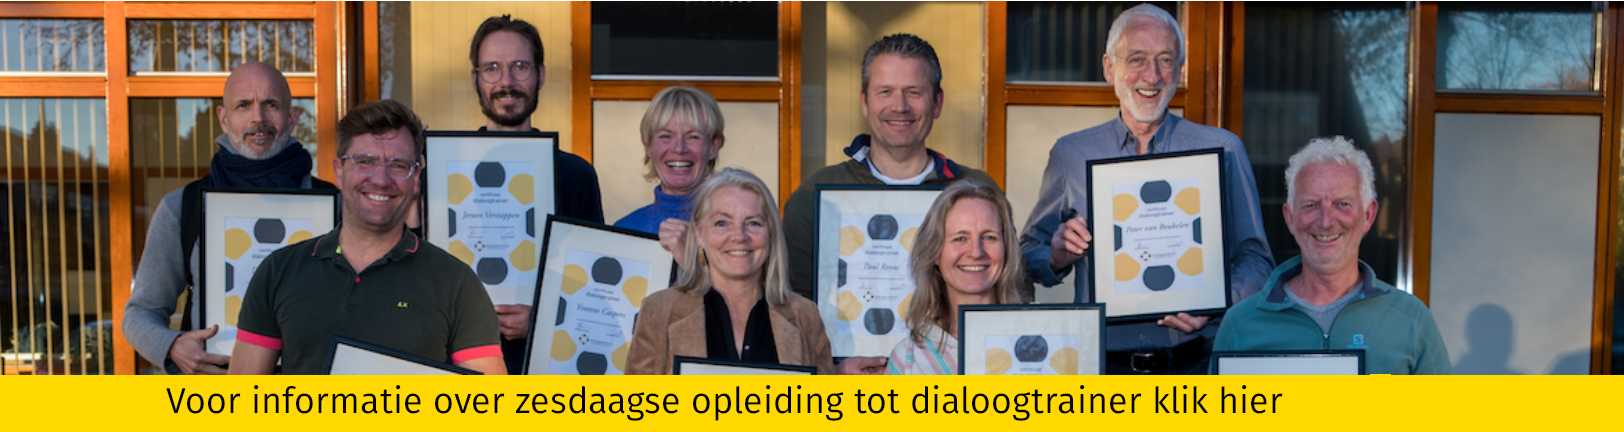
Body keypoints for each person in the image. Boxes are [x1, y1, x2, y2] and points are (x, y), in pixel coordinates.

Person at [1018, 4, 1274, 374]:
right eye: (1136, 58)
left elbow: (1258, 261)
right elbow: (1026, 257)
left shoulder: (1224, 150)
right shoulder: (1071, 154)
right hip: (1102, 370)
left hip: (1195, 366)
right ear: (1110, 68)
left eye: (1165, 59)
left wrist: (1216, 303)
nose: (1152, 75)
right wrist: (1057, 256)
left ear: (1179, 69)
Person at [228, 100, 505, 375]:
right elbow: (240, 397)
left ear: (416, 178)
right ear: (339, 171)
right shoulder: (278, 271)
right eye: (365, 162)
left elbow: (491, 400)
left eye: (398, 166)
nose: (381, 180)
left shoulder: (456, 283)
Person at [781, 34, 999, 374]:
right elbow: (786, 308)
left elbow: (1012, 289)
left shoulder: (975, 191)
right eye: (885, 91)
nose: (900, 106)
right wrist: (829, 372)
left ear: (937, 102)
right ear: (864, 102)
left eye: (914, 92)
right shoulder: (816, 194)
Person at [122, 61, 336, 375]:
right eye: (243, 105)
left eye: (271, 105)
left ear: (292, 118)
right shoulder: (183, 207)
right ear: (224, 118)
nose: (258, 117)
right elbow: (139, 313)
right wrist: (172, 346)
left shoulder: (335, 208)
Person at [1213, 137, 1449, 375]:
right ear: (1290, 218)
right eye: (1311, 205)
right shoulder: (1240, 325)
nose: (1325, 222)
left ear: (1368, 215)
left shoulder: (1411, 319)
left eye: (1342, 204)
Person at [467, 14, 605, 374]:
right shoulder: (447, 172)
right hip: (461, 367)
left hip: (547, 372)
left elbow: (592, 287)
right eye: (492, 68)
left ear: (540, 75)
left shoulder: (576, 176)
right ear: (475, 79)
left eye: (520, 67)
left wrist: (545, 319)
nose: (506, 82)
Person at [626, 168, 835, 375]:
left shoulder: (805, 316)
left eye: (753, 223)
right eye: (722, 223)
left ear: (771, 234)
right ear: (699, 234)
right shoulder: (659, 311)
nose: (739, 236)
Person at [887, 181, 1028, 375]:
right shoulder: (907, 358)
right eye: (960, 238)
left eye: (989, 237)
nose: (976, 252)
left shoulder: (1043, 333)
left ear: (1007, 249)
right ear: (935, 252)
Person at [614, 85, 726, 266]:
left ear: (713, 147)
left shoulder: (735, 230)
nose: (679, 148)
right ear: (648, 146)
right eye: (666, 136)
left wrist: (694, 258)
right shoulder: (624, 230)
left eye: (693, 137)